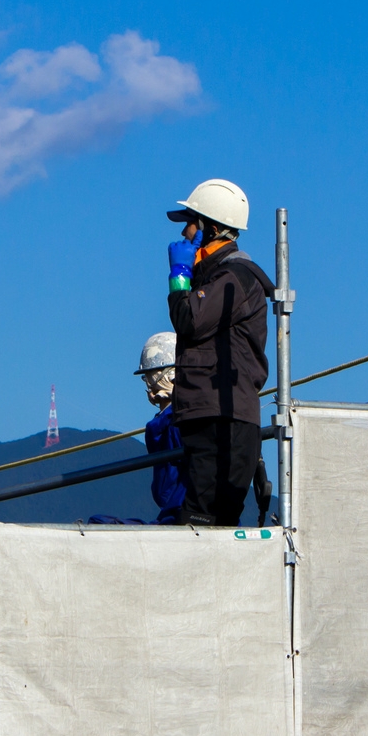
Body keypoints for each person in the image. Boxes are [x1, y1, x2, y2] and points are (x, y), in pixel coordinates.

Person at [164, 178, 274, 527]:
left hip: (223, 419)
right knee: (211, 523)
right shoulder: (219, 278)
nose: (184, 233)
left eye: (190, 223)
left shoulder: (234, 277)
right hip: (213, 416)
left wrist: (179, 275)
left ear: (211, 229)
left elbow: (189, 320)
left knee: (201, 525)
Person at [135, 332, 186, 525]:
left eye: (150, 377)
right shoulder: (167, 423)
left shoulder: (174, 422)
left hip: (182, 514)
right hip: (182, 513)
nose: (149, 384)